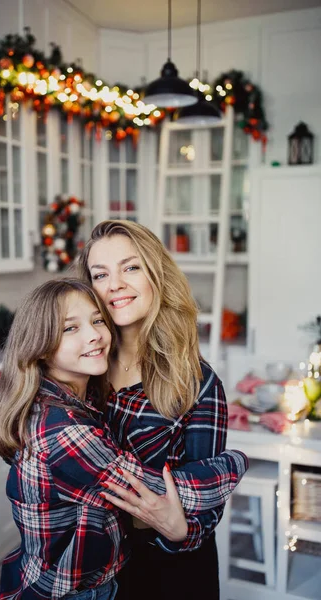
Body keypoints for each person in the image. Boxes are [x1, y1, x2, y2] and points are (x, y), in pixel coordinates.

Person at [0, 278, 246, 600]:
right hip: (71, 592)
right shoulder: (63, 429)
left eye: (96, 320)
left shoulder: (75, 397)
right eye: (70, 328)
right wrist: (236, 462)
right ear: (40, 346)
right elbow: (148, 491)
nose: (94, 335)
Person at [78, 220, 245, 600]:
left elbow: (207, 504)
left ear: (156, 274)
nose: (114, 284)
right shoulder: (81, 369)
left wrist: (179, 527)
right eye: (100, 274)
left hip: (170, 573)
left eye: (130, 267)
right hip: (93, 573)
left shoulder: (197, 381)